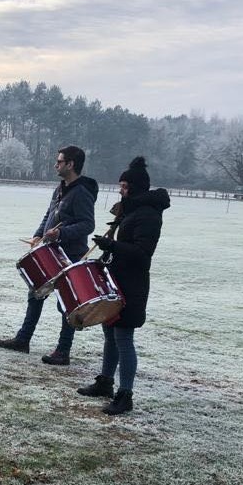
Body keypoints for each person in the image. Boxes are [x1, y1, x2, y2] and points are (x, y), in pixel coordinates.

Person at [78, 156, 170, 415]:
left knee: (124, 337)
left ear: (133, 187)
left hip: (133, 283)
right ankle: (106, 382)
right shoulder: (131, 209)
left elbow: (143, 253)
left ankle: (125, 394)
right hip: (118, 278)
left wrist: (113, 246)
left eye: (123, 186)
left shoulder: (148, 214)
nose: (120, 190)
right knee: (110, 332)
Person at [0, 145, 98, 364]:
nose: (56, 164)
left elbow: (88, 224)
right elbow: (49, 215)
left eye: (59, 161)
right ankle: (23, 339)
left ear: (71, 164)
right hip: (51, 251)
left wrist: (61, 233)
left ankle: (63, 351)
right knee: (36, 293)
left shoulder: (82, 192)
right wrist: (38, 236)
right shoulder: (61, 188)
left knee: (66, 304)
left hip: (70, 254)